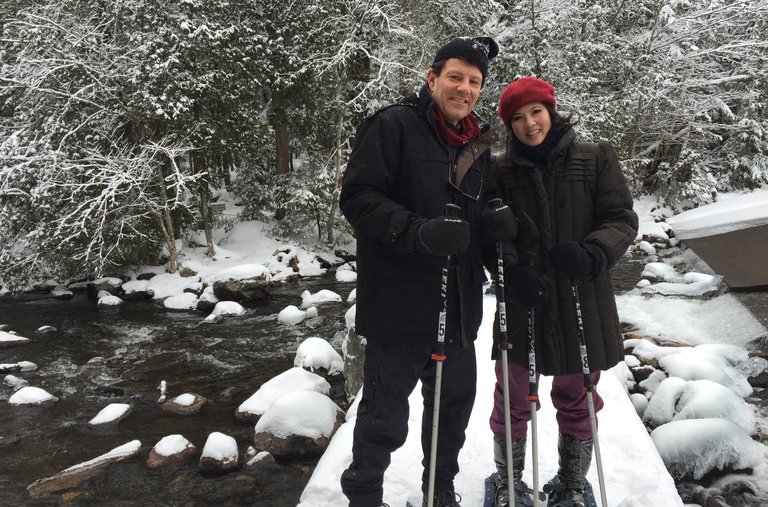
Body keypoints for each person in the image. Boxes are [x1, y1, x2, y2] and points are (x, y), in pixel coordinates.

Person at [339, 37, 518, 507]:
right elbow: (358, 198)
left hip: (458, 310)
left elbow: (479, 220)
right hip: (398, 308)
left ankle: (438, 491)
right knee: (384, 419)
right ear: (432, 78)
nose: (464, 88)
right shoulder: (392, 125)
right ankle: (363, 496)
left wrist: (496, 216)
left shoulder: (479, 145)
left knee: (451, 415)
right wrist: (417, 231)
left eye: (474, 82)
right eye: (455, 77)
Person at [489, 77, 638, 507]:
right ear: (509, 126)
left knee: (579, 396)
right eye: (517, 118)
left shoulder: (595, 157)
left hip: (580, 300)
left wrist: (594, 251)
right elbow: (492, 232)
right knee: (513, 395)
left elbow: (621, 217)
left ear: (551, 110)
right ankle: (510, 484)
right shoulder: (498, 170)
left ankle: (571, 484)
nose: (529, 124)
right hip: (522, 302)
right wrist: (511, 271)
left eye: (535, 111)